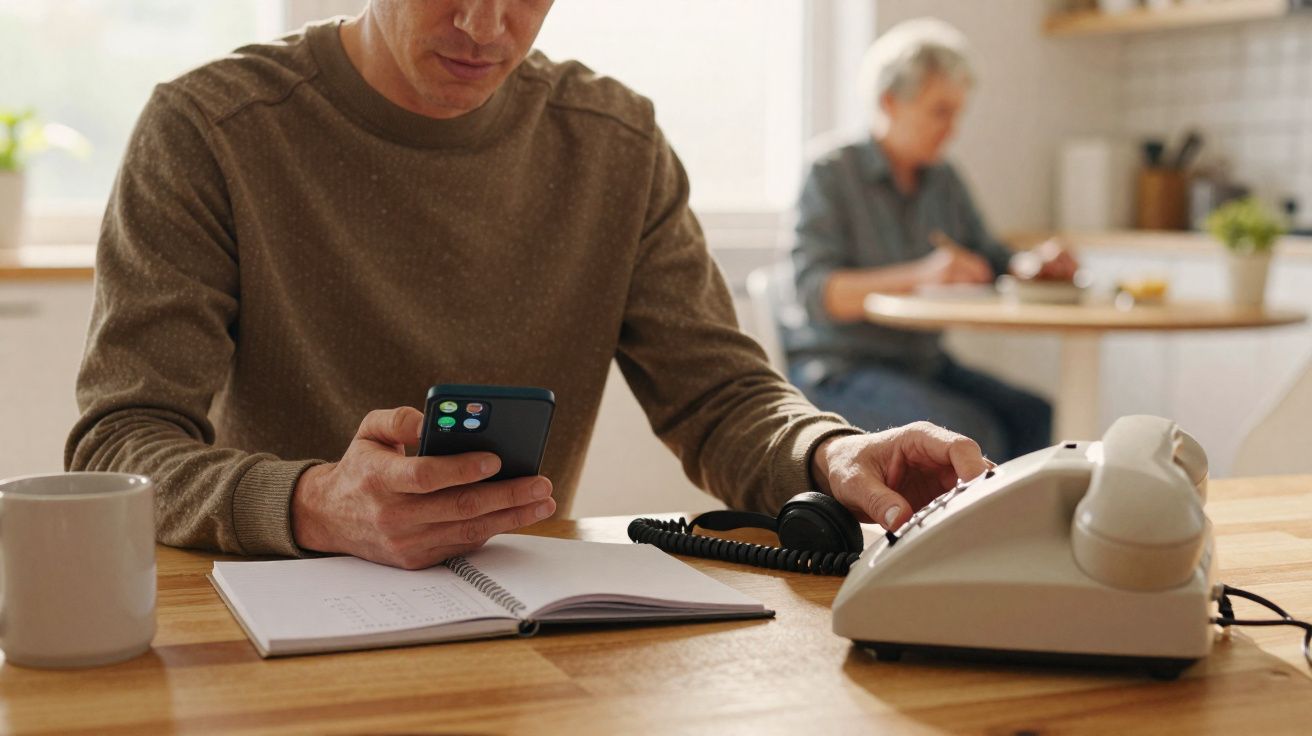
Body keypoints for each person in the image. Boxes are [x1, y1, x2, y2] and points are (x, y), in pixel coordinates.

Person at [67, 0, 990, 570]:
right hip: (266, 613)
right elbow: (116, 445)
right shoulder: (208, 130)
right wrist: (316, 503)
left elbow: (722, 396)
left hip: (522, 609)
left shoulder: (612, 142)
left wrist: (830, 454)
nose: (484, 23)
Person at [783, 18, 1077, 463]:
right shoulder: (830, 173)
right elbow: (817, 294)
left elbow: (991, 258)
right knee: (969, 432)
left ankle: (1014, 532)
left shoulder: (943, 180)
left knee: (1034, 415)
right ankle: (960, 534)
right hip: (841, 369)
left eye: (958, 113)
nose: (953, 129)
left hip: (924, 364)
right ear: (889, 101)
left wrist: (1031, 266)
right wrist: (922, 274)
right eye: (940, 111)